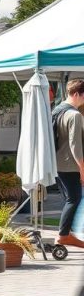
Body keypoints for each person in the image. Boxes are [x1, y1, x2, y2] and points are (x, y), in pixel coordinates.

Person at [52, 79, 84, 248]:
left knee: (69, 199)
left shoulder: (57, 110)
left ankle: (67, 233)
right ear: (77, 94)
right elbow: (75, 145)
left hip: (57, 164)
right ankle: (63, 235)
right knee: (74, 199)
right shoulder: (75, 115)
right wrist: (82, 169)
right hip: (70, 165)